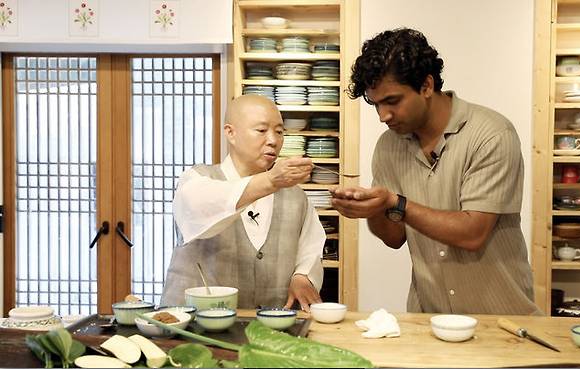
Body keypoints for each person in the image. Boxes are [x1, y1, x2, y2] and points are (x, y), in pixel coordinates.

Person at [331, 28, 541, 315]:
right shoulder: (389, 145)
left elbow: (472, 234)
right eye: (375, 104)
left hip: (500, 317)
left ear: (427, 85)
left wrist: (395, 202)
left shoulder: (492, 134)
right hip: (428, 315)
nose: (383, 116)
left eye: (392, 101)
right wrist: (371, 208)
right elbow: (394, 238)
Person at [161, 95, 324, 312]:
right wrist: (270, 181)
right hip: (193, 328)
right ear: (231, 133)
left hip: (268, 330)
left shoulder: (295, 197)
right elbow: (204, 205)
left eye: (279, 131)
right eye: (261, 130)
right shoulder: (198, 179)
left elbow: (311, 248)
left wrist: (302, 275)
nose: (273, 140)